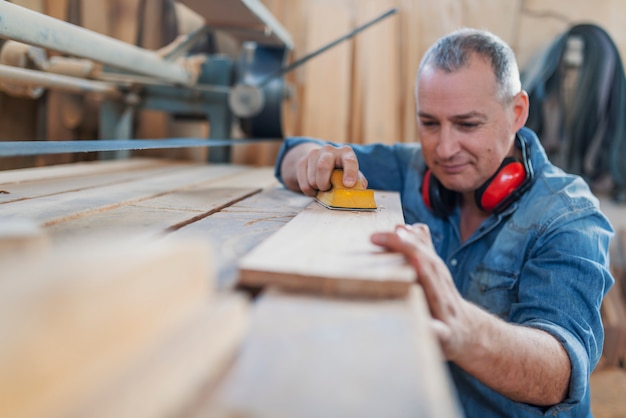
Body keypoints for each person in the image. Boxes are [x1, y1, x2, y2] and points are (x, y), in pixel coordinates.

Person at [273, 28, 614, 417]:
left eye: (468, 124)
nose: (445, 149)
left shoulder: (569, 216)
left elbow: (560, 372)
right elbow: (289, 153)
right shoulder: (412, 167)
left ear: (517, 112)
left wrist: (465, 329)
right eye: (429, 123)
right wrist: (313, 159)